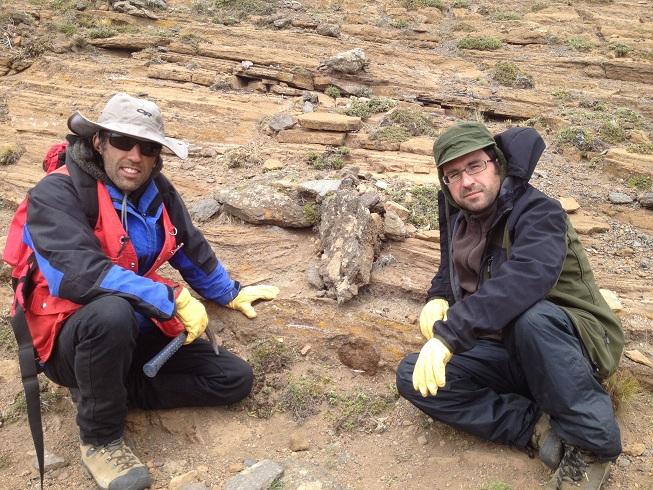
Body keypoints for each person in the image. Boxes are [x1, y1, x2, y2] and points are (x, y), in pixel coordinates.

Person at [8, 93, 279, 490]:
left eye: (148, 147)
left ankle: (105, 388)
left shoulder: (158, 192)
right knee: (110, 312)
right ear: (99, 142)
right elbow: (78, 276)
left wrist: (228, 293)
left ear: (157, 156)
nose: (135, 155)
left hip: (133, 325)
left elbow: (188, 245)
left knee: (232, 378)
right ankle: (100, 438)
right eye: (122, 141)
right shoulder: (56, 194)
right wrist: (171, 299)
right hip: (70, 335)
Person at [395, 122, 624, 490]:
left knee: (530, 318)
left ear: (497, 163)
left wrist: (449, 337)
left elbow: (525, 280)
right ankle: (537, 428)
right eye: (453, 174)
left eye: (474, 166)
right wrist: (437, 297)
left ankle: (593, 446)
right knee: (412, 376)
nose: (466, 181)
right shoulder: (457, 215)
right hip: (504, 345)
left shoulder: (539, 213)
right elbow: (449, 267)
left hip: (572, 342)